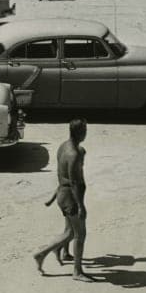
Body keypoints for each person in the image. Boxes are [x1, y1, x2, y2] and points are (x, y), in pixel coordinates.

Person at [34, 119, 93, 282]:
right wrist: (81, 206)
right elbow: (74, 182)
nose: (86, 133)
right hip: (70, 197)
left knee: (69, 232)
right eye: (85, 130)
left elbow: (62, 174)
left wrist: (55, 196)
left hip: (62, 194)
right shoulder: (73, 154)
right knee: (79, 234)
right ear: (79, 132)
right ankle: (76, 271)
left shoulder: (63, 146)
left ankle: (49, 253)